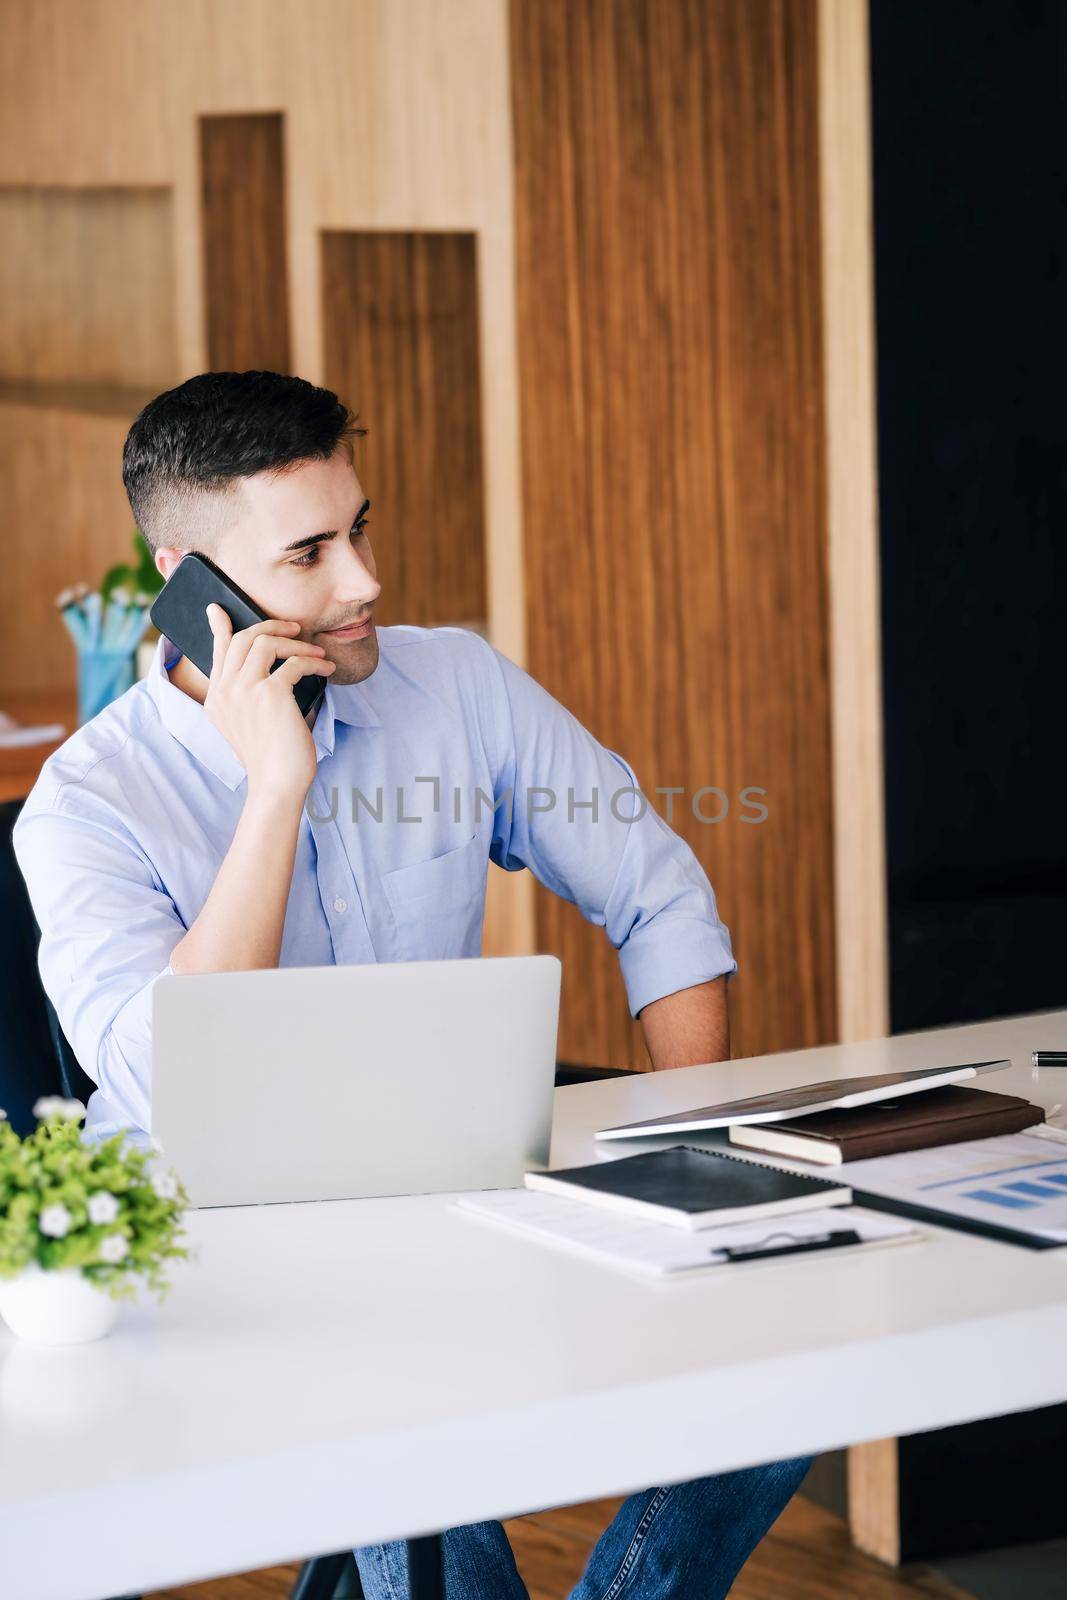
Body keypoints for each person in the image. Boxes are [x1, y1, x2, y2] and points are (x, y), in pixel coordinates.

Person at [14, 370, 810, 1598]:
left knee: (794, 1332)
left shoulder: (455, 685)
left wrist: (696, 1156)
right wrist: (275, 786)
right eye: (310, 553)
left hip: (453, 1198)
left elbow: (654, 891)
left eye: (361, 527)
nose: (365, 581)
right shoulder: (85, 806)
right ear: (191, 589)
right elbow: (177, 1075)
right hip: (221, 1256)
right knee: (406, 1413)